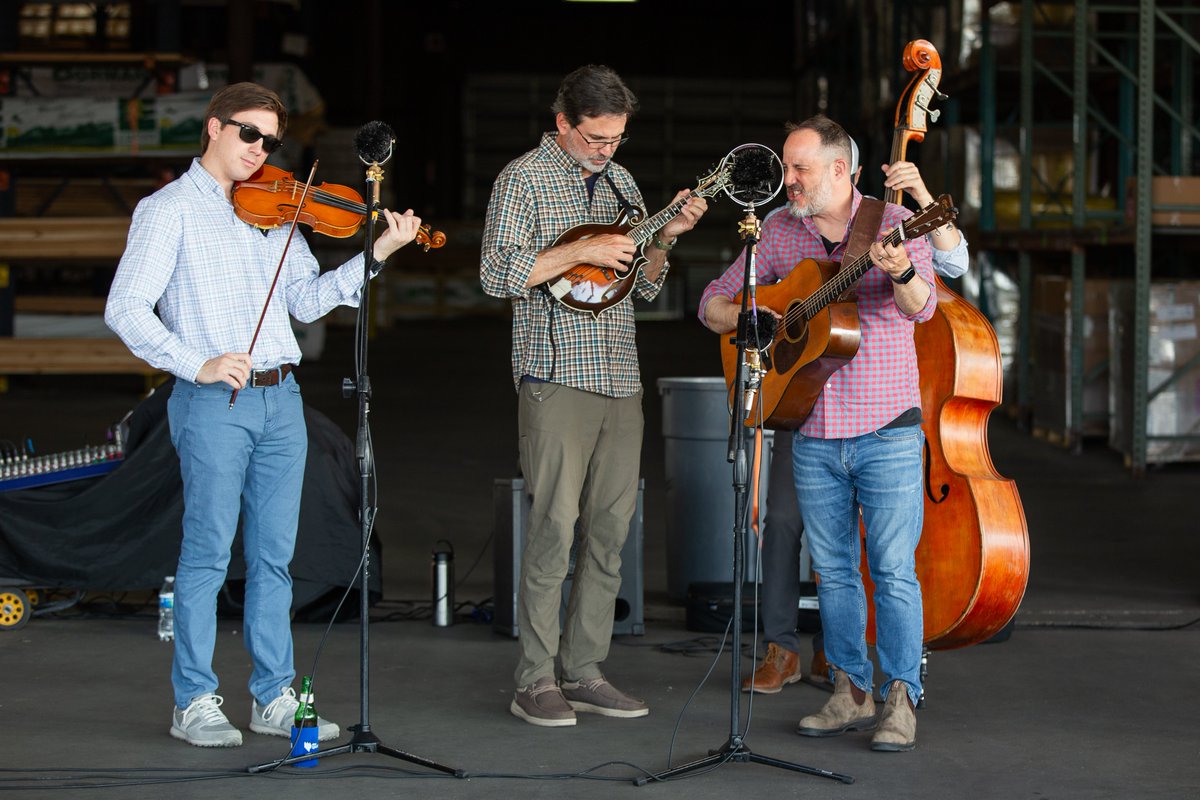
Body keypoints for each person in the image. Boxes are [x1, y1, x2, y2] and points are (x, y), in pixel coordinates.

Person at [105, 82, 423, 748]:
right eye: (248, 133)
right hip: (215, 401)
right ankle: (192, 700)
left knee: (277, 558)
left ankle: (272, 696)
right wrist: (197, 364)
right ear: (214, 127)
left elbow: (305, 303)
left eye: (271, 140)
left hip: (283, 399)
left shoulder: (275, 209)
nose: (260, 150)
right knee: (206, 557)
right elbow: (126, 309)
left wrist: (376, 256)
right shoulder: (167, 211)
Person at [480, 64, 708, 728]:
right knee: (553, 526)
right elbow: (497, 272)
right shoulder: (522, 179)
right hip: (555, 374)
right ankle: (534, 680)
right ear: (563, 124)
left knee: (611, 530)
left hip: (619, 376)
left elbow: (643, 288)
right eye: (595, 138)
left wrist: (662, 239)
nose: (606, 150)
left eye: (616, 139)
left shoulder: (625, 183)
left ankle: (583, 670)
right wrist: (584, 251)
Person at [699, 114, 935, 752]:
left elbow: (923, 306)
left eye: (799, 168)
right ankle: (849, 691)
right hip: (812, 431)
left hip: (885, 427)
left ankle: (900, 697)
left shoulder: (892, 225)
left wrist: (904, 271)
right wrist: (764, 311)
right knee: (833, 572)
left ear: (839, 170)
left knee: (891, 570)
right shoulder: (777, 230)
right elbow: (712, 303)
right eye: (787, 166)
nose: (788, 180)